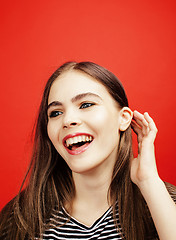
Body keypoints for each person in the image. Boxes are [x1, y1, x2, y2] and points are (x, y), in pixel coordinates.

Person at [0, 61, 176, 240]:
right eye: (55, 113)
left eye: (86, 105)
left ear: (123, 119)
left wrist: (148, 181)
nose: (68, 119)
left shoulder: (164, 202)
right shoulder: (17, 219)